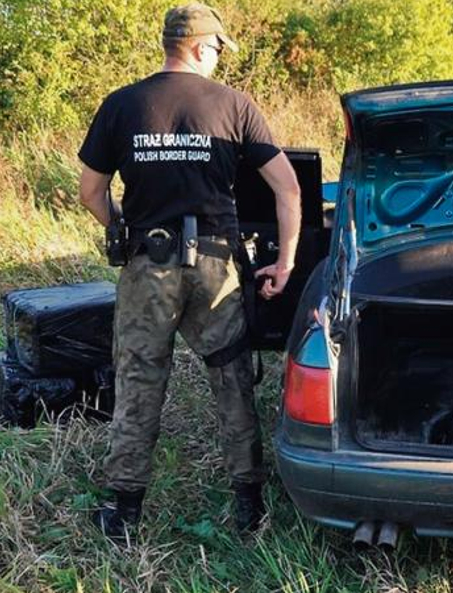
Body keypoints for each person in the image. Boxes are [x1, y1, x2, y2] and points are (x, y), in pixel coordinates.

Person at [76, 2, 301, 541]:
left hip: (147, 266)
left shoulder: (122, 104)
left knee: (138, 381)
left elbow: (90, 191)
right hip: (219, 268)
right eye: (218, 50)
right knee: (231, 378)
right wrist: (287, 261)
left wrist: (123, 228)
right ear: (202, 47)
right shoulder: (235, 105)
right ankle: (249, 505)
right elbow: (288, 188)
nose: (219, 60)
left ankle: (123, 512)